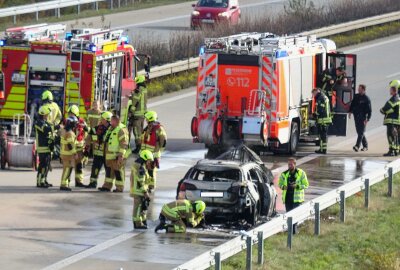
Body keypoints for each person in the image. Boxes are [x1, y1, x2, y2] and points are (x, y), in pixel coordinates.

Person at [98, 115, 129, 192]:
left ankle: (119, 187)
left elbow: (124, 144)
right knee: (109, 172)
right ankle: (107, 186)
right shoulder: (111, 128)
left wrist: (120, 155)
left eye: (112, 121)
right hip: (110, 155)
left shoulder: (121, 130)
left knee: (118, 172)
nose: (110, 122)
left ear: (116, 121)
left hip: (117, 155)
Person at [278, 157, 309, 234]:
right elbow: (280, 184)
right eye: (288, 164)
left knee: (295, 215)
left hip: (297, 199)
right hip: (288, 198)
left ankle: (293, 231)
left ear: (295, 164)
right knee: (289, 215)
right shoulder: (284, 174)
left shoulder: (301, 173)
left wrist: (297, 186)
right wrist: (283, 187)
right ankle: (291, 230)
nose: (289, 166)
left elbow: (306, 185)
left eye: (291, 164)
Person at [140, 110, 167, 192]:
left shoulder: (158, 129)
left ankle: (151, 187)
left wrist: (158, 151)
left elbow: (163, 141)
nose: (146, 120)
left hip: (153, 154)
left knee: (151, 172)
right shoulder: (148, 128)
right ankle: (147, 185)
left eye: (147, 119)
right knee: (146, 171)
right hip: (146, 154)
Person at [85, 111, 112, 188]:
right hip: (97, 153)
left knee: (108, 170)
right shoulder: (96, 129)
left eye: (102, 119)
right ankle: (93, 183)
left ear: (107, 120)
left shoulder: (112, 131)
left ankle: (107, 186)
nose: (101, 120)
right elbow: (89, 137)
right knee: (95, 169)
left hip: (107, 154)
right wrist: (87, 148)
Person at [130, 149, 154, 229]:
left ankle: (143, 221)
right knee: (138, 208)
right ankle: (137, 223)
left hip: (140, 190)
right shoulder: (140, 167)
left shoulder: (141, 165)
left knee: (143, 207)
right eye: (149, 161)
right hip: (139, 191)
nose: (150, 163)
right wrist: (145, 192)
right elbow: (141, 181)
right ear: (145, 158)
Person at [67, 104, 88, 187]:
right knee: (70, 166)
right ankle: (66, 181)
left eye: (71, 113)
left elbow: (87, 131)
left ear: (76, 114)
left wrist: (85, 127)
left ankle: (79, 182)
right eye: (69, 113)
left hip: (79, 147)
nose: (70, 115)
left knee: (79, 166)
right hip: (71, 147)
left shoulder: (82, 121)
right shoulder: (68, 121)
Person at [35, 105, 55, 188]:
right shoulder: (39, 122)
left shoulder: (45, 122)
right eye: (47, 114)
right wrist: (55, 127)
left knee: (46, 164)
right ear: (43, 114)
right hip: (42, 147)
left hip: (47, 147)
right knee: (43, 165)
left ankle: (44, 180)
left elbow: (50, 129)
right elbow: (46, 129)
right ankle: (40, 182)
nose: (48, 115)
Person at [128, 75, 148, 153]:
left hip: (137, 114)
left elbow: (135, 102)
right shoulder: (144, 89)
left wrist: (131, 112)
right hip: (143, 114)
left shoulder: (138, 89)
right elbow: (140, 99)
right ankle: (141, 146)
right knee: (141, 131)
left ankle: (138, 147)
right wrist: (131, 96)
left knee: (137, 132)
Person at [349, 84, 372, 152]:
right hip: (356, 116)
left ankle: (357, 146)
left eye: (359, 89)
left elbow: (369, 110)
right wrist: (350, 111)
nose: (358, 90)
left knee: (361, 132)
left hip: (363, 117)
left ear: (363, 90)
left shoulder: (366, 99)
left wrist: (367, 119)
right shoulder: (356, 96)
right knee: (359, 132)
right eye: (358, 89)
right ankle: (365, 146)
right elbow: (352, 104)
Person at [380, 86, 400, 156]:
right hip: (397, 121)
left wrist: (382, 110)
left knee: (390, 136)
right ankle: (396, 151)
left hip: (392, 121)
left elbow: (386, 108)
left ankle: (391, 151)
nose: (389, 91)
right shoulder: (398, 98)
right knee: (396, 136)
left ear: (393, 91)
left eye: (390, 90)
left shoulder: (394, 98)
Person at [60, 117, 78, 191]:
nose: (76, 124)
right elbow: (70, 145)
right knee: (67, 169)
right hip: (68, 154)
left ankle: (65, 183)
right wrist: (75, 153)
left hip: (64, 153)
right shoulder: (70, 133)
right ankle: (64, 185)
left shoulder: (64, 130)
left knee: (66, 169)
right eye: (75, 123)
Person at [312, 88, 332, 154]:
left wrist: (315, 114)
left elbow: (320, 109)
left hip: (323, 120)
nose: (313, 95)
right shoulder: (324, 96)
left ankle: (323, 150)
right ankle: (322, 149)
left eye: (313, 93)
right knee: (323, 135)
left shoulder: (320, 98)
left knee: (322, 136)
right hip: (326, 119)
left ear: (317, 91)